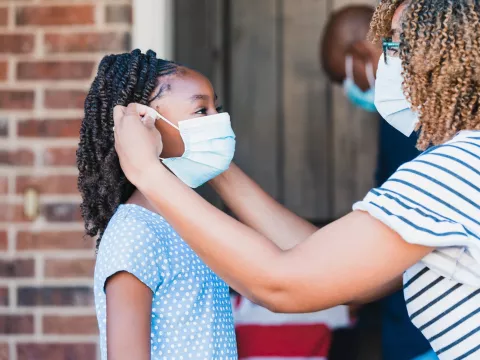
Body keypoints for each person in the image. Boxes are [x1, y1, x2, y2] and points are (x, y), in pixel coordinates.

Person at [113, 1, 480, 359]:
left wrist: (148, 173)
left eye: (395, 42)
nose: (383, 58)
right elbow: (337, 267)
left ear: (440, 53)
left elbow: (281, 283)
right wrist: (210, 161)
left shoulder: (449, 173)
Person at [76, 49, 239, 360]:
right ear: (144, 122)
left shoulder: (192, 221)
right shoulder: (135, 232)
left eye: (216, 107)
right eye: (201, 111)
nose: (219, 120)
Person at [321, 6, 436, 360]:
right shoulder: (399, 113)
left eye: (346, 79)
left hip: (429, 325)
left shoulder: (430, 114)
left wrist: (355, 278)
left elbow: (399, 219)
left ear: (360, 52)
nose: (351, 90)